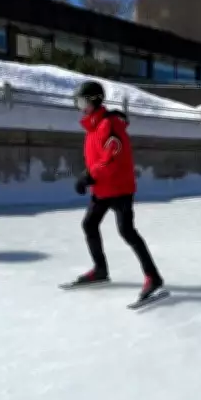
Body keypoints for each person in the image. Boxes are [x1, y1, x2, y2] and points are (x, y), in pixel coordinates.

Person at [64, 80, 164, 302]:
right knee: (89, 224)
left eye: (82, 102)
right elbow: (97, 158)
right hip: (102, 189)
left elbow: (112, 158)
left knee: (127, 231)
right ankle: (100, 269)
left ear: (94, 101)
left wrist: (89, 176)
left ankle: (153, 277)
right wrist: (88, 174)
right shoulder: (93, 127)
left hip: (119, 188)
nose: (79, 106)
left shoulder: (109, 125)